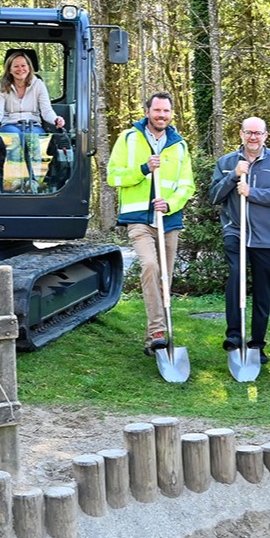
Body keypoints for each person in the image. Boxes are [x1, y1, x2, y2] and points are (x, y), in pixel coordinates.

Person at [106, 92, 195, 355]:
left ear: (171, 114)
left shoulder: (179, 145)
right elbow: (113, 176)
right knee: (150, 266)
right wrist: (143, 169)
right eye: (157, 110)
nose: (161, 115)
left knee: (165, 277)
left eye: (166, 111)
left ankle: (154, 338)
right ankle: (158, 330)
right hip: (138, 219)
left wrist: (170, 203)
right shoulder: (128, 138)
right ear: (148, 111)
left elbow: (187, 185)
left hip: (168, 220)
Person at [208, 117, 270, 361]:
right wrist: (234, 177)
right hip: (235, 230)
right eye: (249, 132)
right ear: (241, 134)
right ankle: (234, 336)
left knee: (262, 289)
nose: (253, 137)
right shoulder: (226, 162)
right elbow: (214, 196)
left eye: (258, 133)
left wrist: (252, 193)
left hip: (267, 235)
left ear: (266, 135)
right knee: (236, 277)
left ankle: (257, 342)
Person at [0, 49, 63, 192]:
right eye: (16, 66)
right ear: (9, 69)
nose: (20, 69)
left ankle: (35, 184)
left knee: (35, 142)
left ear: (29, 67)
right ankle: (14, 185)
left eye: (23, 65)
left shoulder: (38, 85)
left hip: (33, 124)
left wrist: (56, 119)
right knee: (14, 141)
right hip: (10, 124)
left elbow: (46, 111)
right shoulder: (3, 87)